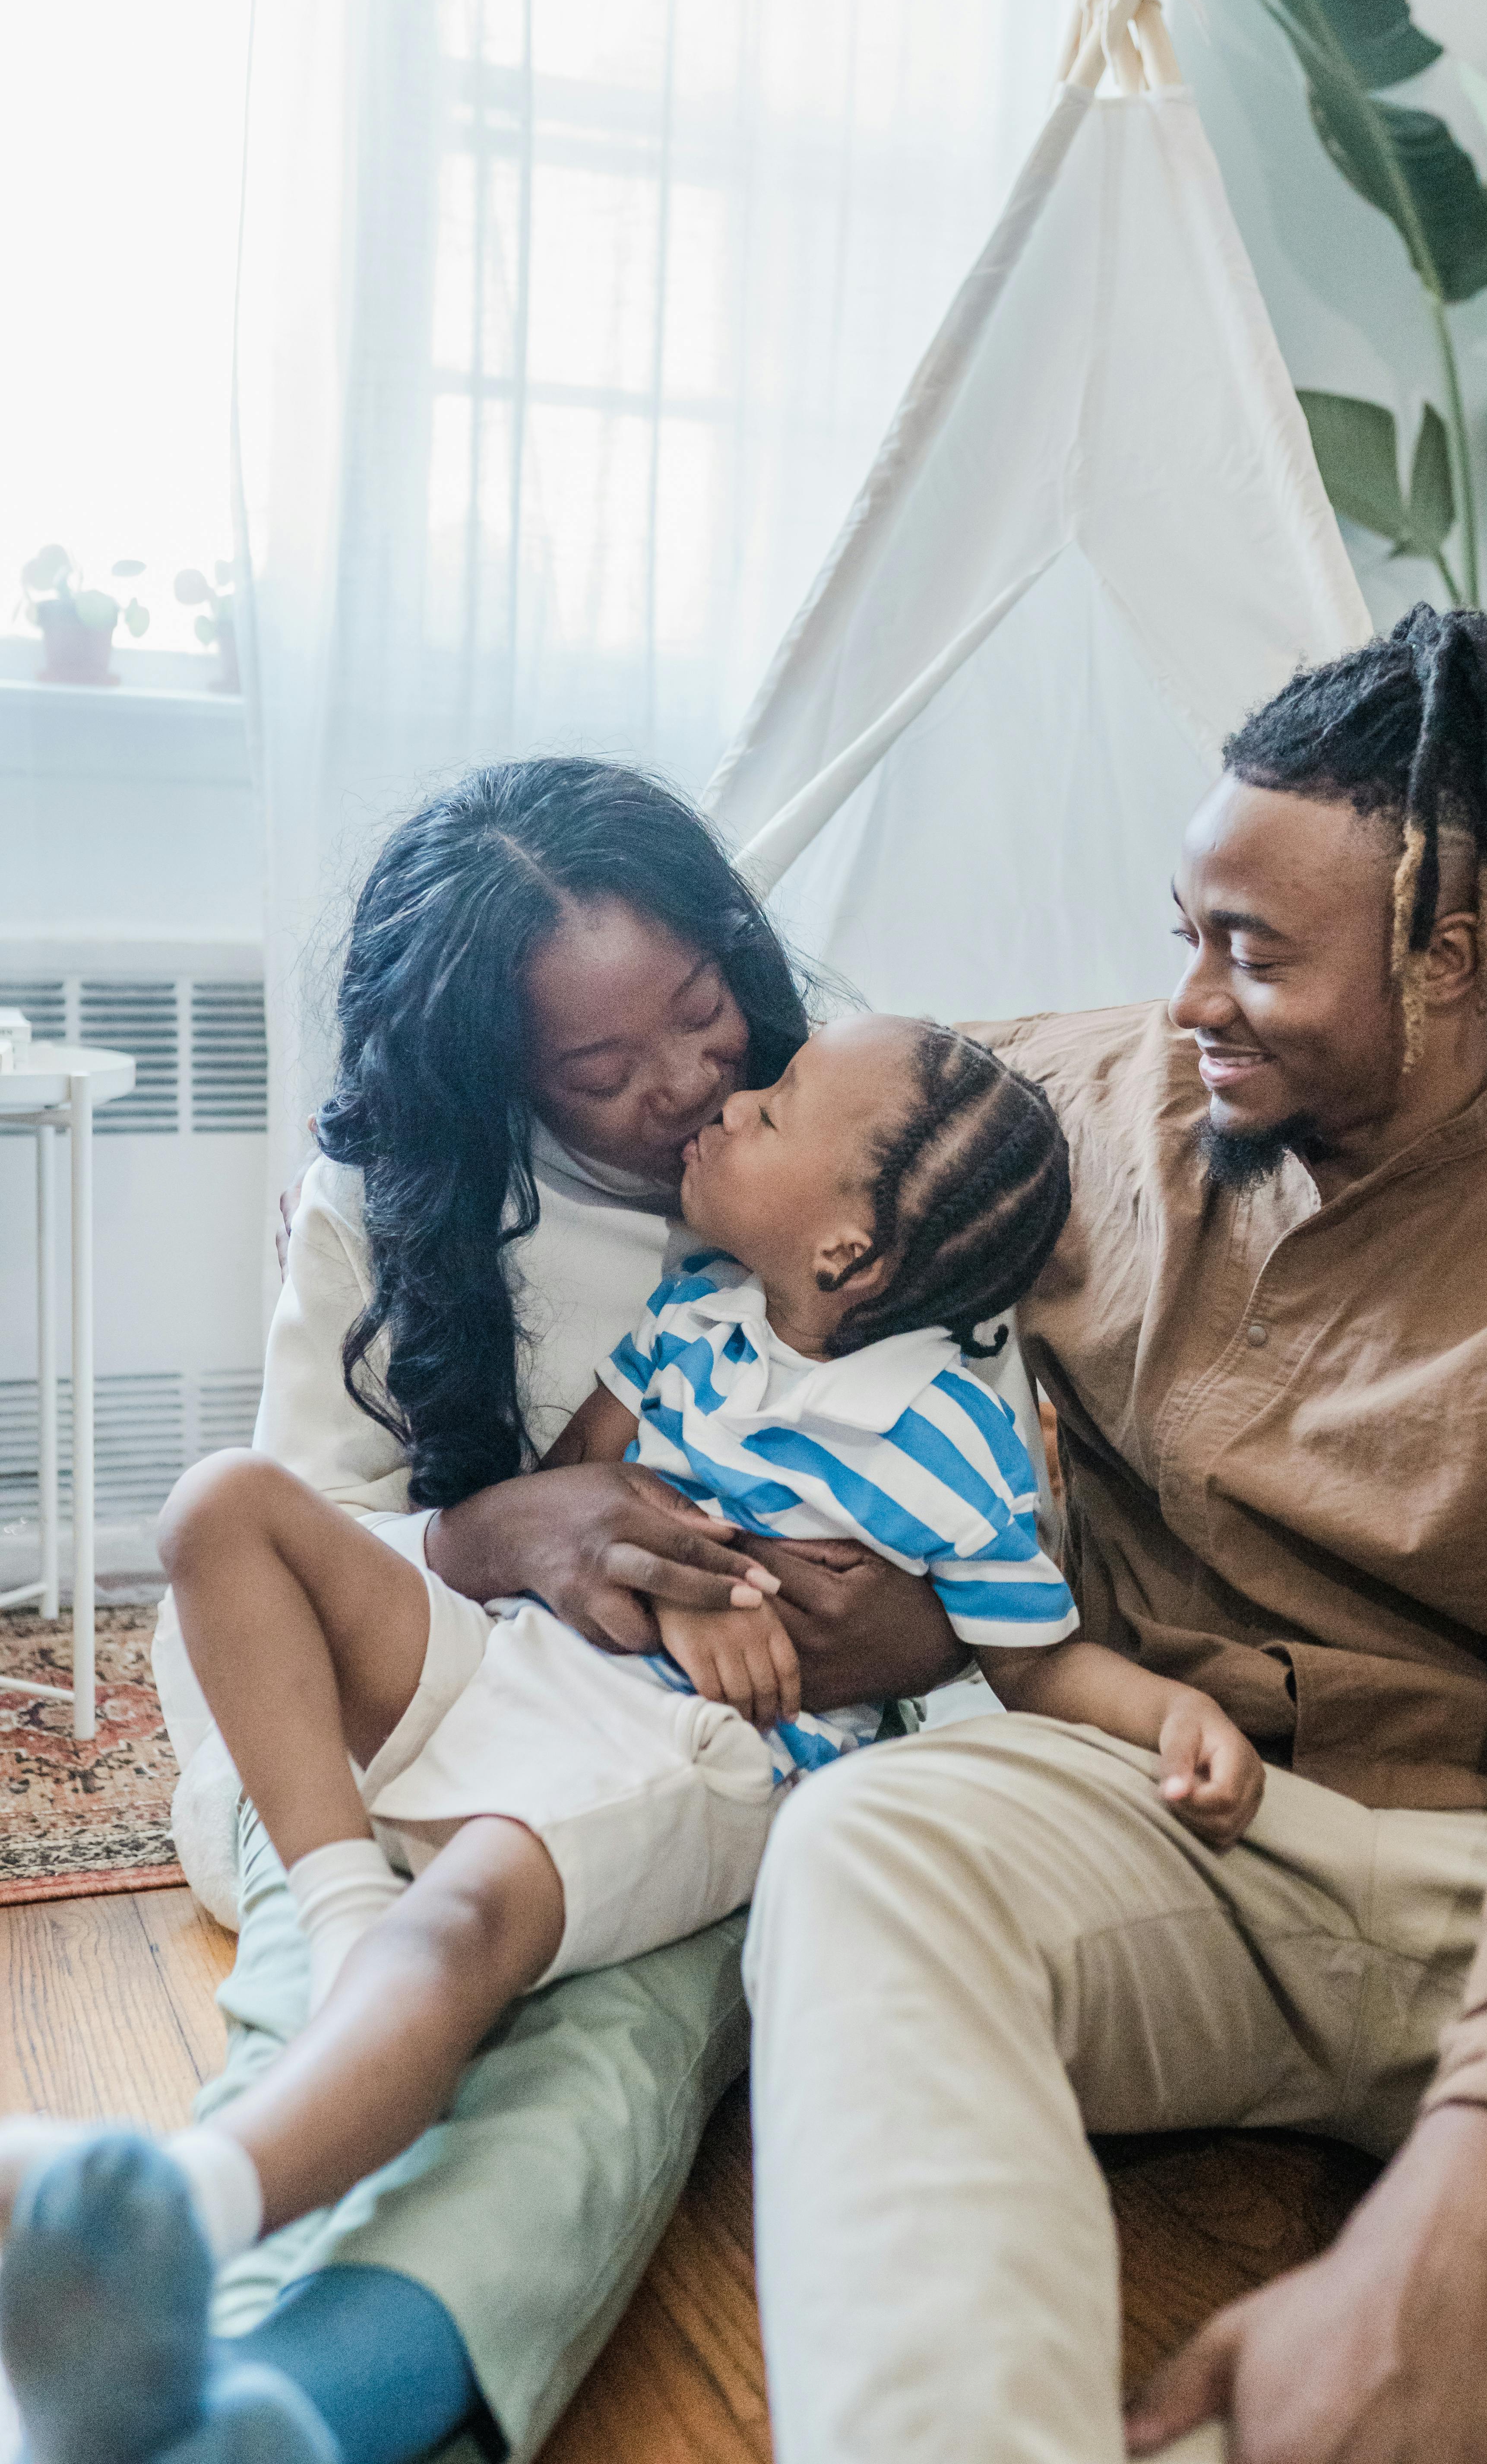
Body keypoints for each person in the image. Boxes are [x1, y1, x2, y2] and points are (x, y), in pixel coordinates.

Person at [0, 1016, 1269, 2464]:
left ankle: (186, 2206)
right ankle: (339, 1897)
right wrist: (665, 1583)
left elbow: (1036, 1663)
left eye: (771, 1107)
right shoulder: (695, 1313)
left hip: (699, 1754)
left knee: (464, 1929)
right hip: (548, 1656)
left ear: (849, 1254)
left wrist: (1177, 1715)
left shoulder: (947, 1434)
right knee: (219, 1508)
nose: (724, 1104)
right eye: (602, 1064)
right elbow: (566, 1511)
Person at [743, 603, 1487, 2464]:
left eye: (1251, 953)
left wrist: (1441, 2248)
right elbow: (778, 1128)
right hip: (1203, 1847)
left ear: (1446, 964)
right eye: (1183, 933)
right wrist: (552, 1487)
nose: (1187, 996)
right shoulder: (1084, 1104)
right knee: (870, 1841)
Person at [130, 760, 975, 2464]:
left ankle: (284, 2400)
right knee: (346, 1969)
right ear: (492, 1076)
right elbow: (314, 1530)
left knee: (598, 2051)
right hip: (411, 1711)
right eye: (599, 1068)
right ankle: (153, 2326)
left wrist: (772, 1616)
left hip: (696, 1750)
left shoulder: (844, 1172)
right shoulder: (400, 1201)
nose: (686, 1087)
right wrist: (501, 1531)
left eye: (703, 1009)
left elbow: (955, 1571)